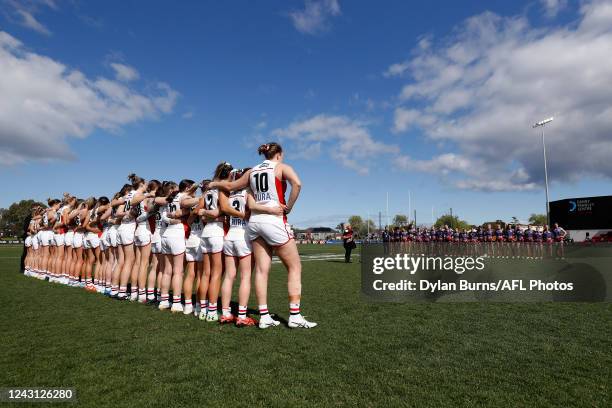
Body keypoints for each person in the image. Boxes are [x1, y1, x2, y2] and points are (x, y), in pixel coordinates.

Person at [212, 142, 317, 329]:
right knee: (294, 267)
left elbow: (232, 185)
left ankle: (264, 316)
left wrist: (214, 183)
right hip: (274, 220)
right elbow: (297, 184)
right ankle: (295, 315)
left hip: (254, 223)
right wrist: (289, 207)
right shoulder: (282, 167)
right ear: (279, 154)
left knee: (261, 270)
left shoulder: (252, 171)